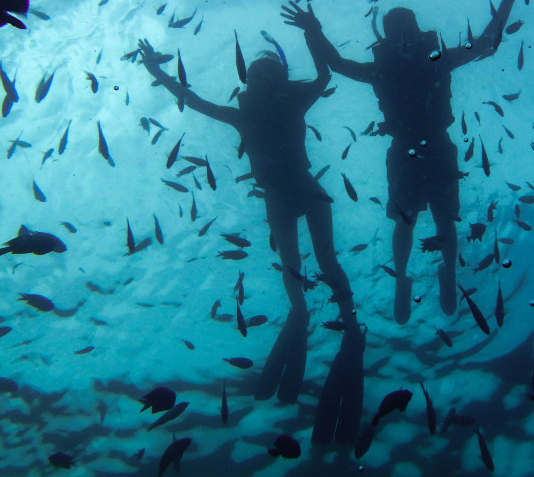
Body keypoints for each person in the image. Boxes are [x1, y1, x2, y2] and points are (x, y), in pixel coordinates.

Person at [135, 36, 364, 446]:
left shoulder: (253, 113)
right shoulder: (292, 102)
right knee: (320, 260)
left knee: (302, 264)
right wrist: (311, 34)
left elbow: (195, 99)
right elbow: (324, 75)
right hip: (302, 191)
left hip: (284, 195)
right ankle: (338, 317)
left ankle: (306, 313)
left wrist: (156, 71)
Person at [282, 0, 521, 324]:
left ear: (415, 28)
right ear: (389, 36)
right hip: (414, 148)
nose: (404, 35)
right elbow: (338, 64)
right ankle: (403, 278)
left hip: (427, 147)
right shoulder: (413, 64)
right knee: (408, 221)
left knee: (441, 217)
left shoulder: (429, 60)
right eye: (398, 29)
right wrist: (312, 29)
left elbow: (487, 42)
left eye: (407, 26)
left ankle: (443, 273)